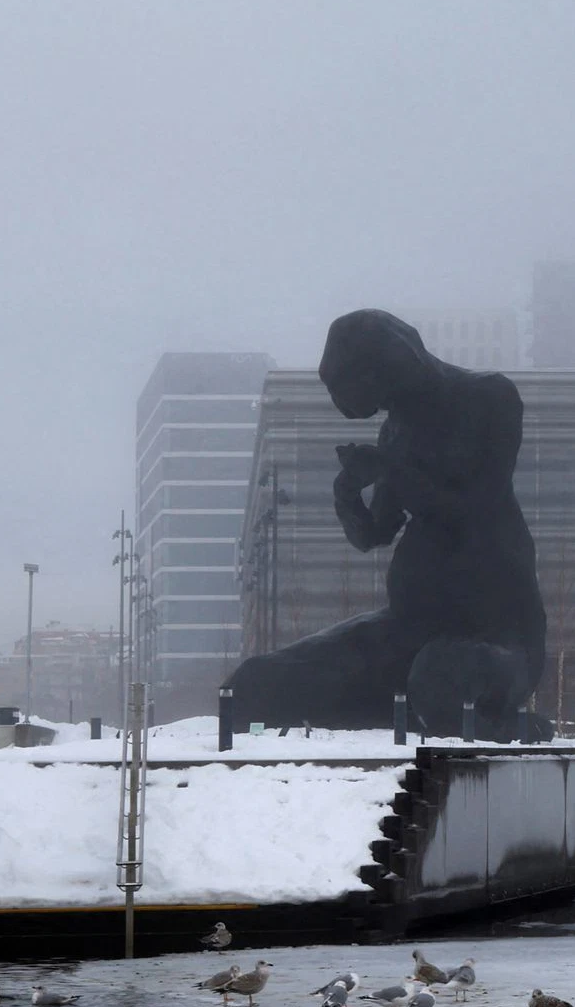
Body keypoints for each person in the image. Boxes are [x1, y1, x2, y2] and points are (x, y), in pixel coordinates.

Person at [220, 310, 545, 736]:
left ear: (393, 365)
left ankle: (507, 726)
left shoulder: (488, 397)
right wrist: (348, 492)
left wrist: (392, 472)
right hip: (409, 629)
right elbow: (374, 533)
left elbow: (478, 506)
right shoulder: (396, 434)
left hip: (496, 631)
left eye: (380, 396)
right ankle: (405, 709)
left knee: (441, 680)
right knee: (253, 687)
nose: (385, 411)